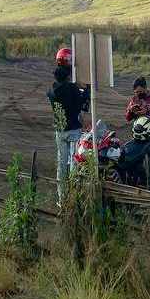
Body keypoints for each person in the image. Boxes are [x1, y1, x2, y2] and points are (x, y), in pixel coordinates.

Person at [47, 48, 89, 204]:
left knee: (61, 165)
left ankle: (61, 198)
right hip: (73, 129)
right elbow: (82, 103)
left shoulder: (51, 90)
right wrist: (86, 89)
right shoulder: (71, 89)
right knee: (74, 162)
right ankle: (73, 197)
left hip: (59, 130)